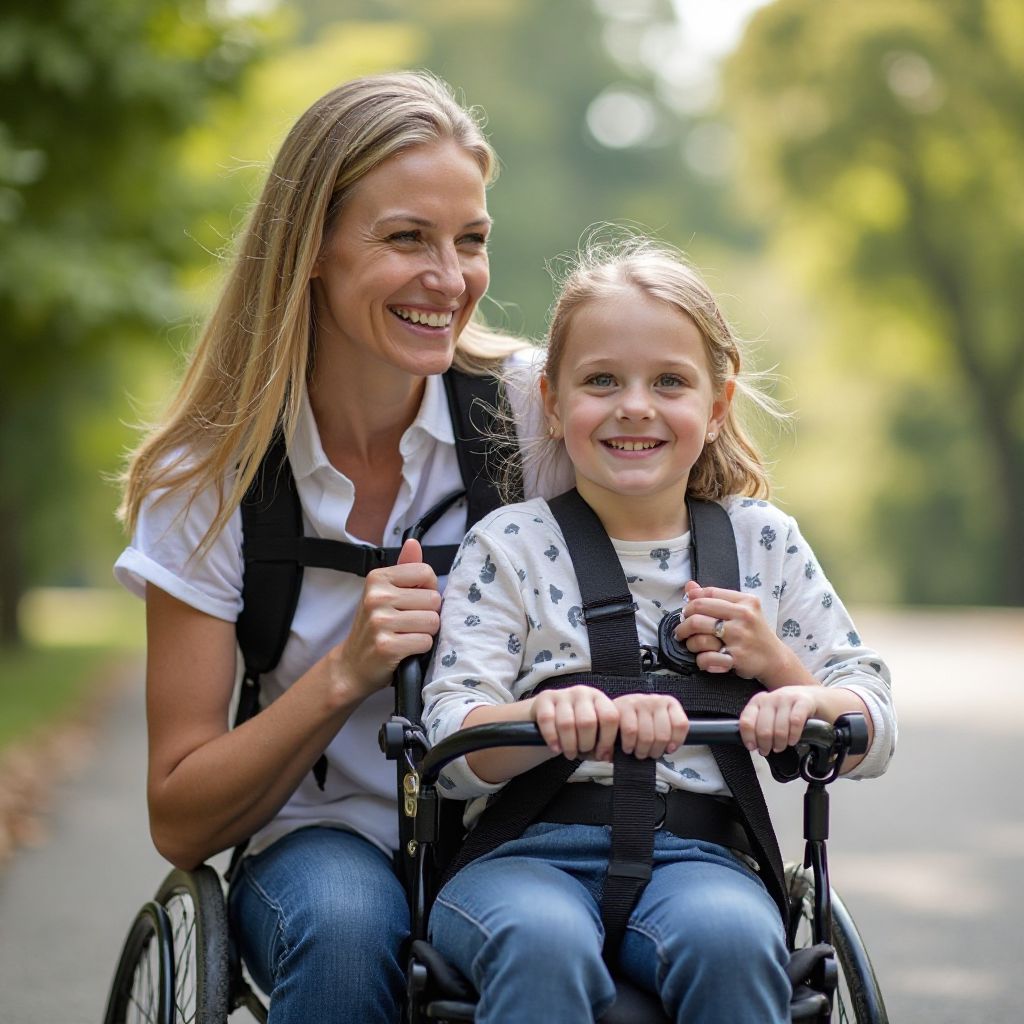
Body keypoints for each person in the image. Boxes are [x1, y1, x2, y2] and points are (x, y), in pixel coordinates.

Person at [114, 71, 550, 1023]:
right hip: (322, 838)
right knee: (349, 927)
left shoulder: (534, 414)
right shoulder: (212, 473)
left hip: (533, 825)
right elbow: (178, 814)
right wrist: (345, 671)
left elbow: (698, 508)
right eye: (406, 238)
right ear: (309, 245)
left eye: (470, 240)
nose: (450, 278)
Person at [421, 237, 897, 1024]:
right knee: (541, 944)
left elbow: (872, 725)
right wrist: (546, 719)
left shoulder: (762, 545)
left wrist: (789, 681)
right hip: (522, 858)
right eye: (601, 380)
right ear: (550, 399)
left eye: (669, 382)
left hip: (702, 859)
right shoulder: (507, 545)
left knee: (737, 942)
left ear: (715, 405)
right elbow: (448, 739)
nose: (634, 404)